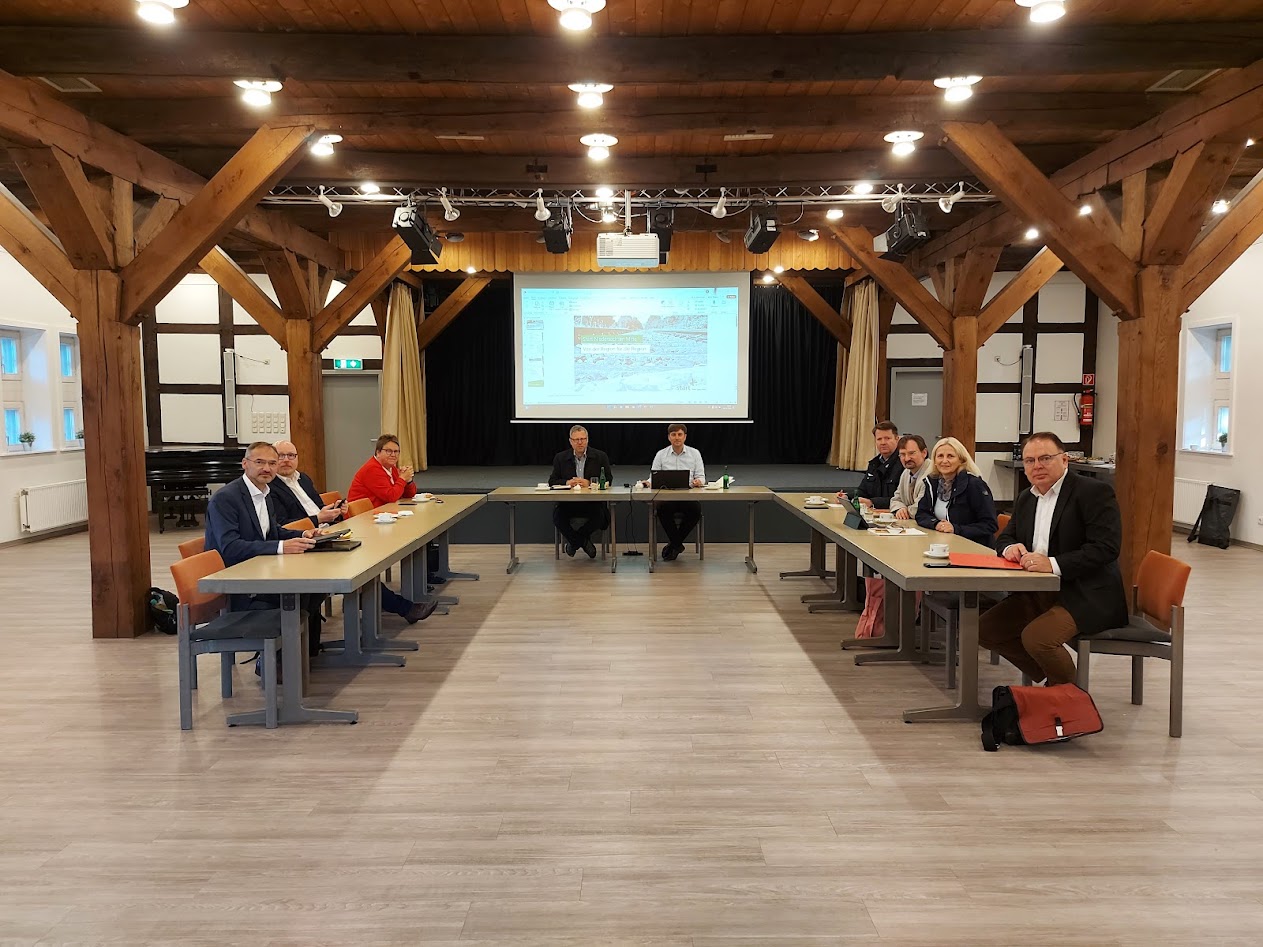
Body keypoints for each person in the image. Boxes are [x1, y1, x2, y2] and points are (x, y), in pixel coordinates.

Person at [980, 432, 1128, 685]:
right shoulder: (1027, 497)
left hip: (1086, 593)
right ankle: (1053, 683)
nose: (1037, 466)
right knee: (985, 629)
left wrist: (1052, 564)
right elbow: (1004, 537)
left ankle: (1070, 698)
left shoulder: (1093, 492)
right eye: (1029, 460)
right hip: (1038, 591)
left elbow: (1106, 548)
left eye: (1045, 458)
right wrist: (1010, 547)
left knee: (1038, 639)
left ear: (1065, 460)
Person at [204, 441, 324, 659]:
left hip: (261, 568)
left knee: (315, 588)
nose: (266, 468)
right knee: (299, 591)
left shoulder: (265, 493)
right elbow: (230, 547)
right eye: (259, 462)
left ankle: (302, 654)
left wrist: (302, 534)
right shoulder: (226, 498)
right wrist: (281, 547)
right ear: (245, 464)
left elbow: (272, 531)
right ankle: (280, 659)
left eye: (272, 463)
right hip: (239, 581)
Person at [346, 434, 438, 625]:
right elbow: (391, 496)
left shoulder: (390, 469)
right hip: (363, 526)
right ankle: (404, 604)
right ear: (378, 452)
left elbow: (407, 494)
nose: (393, 455)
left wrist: (408, 480)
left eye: (396, 451)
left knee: (420, 533)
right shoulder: (372, 469)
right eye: (388, 451)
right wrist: (402, 479)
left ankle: (423, 580)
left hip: (380, 519)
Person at [915, 436, 997, 543]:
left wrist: (956, 529)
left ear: (961, 460)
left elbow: (990, 525)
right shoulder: (932, 483)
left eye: (950, 456)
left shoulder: (974, 484)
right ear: (934, 461)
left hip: (972, 545)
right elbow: (921, 514)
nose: (944, 461)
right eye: (940, 456)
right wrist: (936, 523)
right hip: (942, 542)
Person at [548, 425, 613, 559]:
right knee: (557, 517)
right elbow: (552, 481)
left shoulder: (600, 456)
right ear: (570, 441)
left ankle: (574, 542)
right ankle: (583, 542)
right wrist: (567, 482)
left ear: (587, 440)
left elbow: (609, 480)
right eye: (576, 439)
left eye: (583, 439)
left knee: (601, 517)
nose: (580, 442)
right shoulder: (561, 458)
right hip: (568, 503)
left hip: (592, 503)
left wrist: (590, 483)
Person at [643, 422, 705, 562]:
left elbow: (701, 477)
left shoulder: (695, 453)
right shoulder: (661, 454)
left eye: (680, 434)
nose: (677, 437)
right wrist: (648, 482)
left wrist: (698, 481)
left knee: (695, 510)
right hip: (668, 497)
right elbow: (653, 476)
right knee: (662, 510)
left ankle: (674, 544)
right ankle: (677, 545)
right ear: (669, 437)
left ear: (685, 437)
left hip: (687, 496)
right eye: (674, 434)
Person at [270, 439, 345, 530]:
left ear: (297, 458)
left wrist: (335, 510)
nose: (286, 460)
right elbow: (282, 524)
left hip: (328, 529)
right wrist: (317, 519)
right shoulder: (269, 487)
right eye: (280, 456)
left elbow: (319, 507)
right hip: (306, 534)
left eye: (291, 455)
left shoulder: (304, 478)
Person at [838, 421, 901, 509]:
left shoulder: (903, 464)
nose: (883, 442)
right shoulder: (874, 464)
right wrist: (846, 496)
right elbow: (863, 491)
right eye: (879, 439)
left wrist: (872, 502)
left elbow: (902, 499)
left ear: (897, 439)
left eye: (887, 438)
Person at [888, 434, 932, 520]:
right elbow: (895, 499)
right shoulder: (906, 472)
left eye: (911, 453)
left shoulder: (931, 473)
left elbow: (920, 507)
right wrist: (900, 509)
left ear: (924, 453)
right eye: (902, 454)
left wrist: (905, 511)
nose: (907, 458)